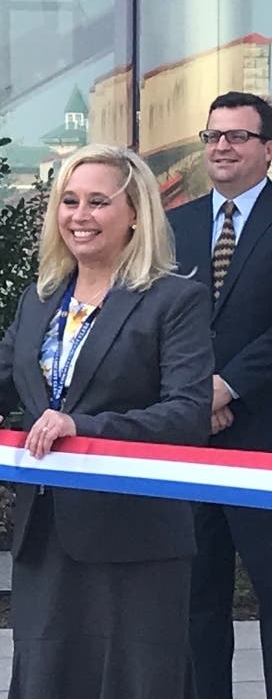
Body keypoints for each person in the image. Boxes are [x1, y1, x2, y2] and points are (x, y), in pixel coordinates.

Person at [0, 144, 212, 699]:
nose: (79, 215)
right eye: (69, 201)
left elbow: (188, 414)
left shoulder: (175, 300)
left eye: (98, 202)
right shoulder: (40, 300)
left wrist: (85, 428)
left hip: (135, 541)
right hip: (45, 538)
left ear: (136, 212)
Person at [169, 91, 272, 699]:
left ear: (267, 149)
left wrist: (225, 385)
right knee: (193, 603)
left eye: (236, 136)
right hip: (187, 442)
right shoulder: (173, 226)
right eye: (212, 136)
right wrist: (192, 393)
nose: (221, 147)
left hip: (263, 444)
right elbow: (151, 322)